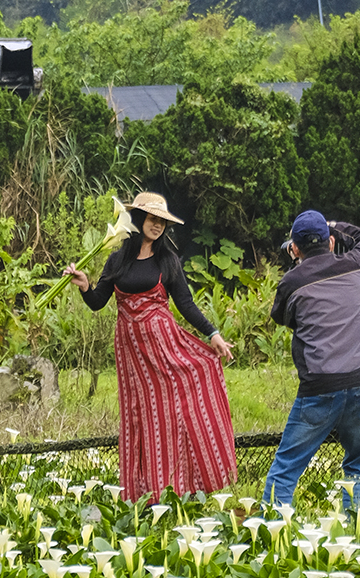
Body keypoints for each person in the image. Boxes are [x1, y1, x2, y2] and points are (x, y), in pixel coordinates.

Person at [65, 192, 236, 501]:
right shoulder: (117, 259)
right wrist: (85, 284)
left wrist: (213, 334)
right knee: (140, 416)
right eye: (152, 219)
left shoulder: (166, 259)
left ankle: (180, 487)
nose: (157, 225)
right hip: (132, 355)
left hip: (165, 348)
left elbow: (185, 304)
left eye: (162, 222)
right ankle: (146, 494)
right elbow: (97, 302)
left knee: (170, 414)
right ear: (140, 220)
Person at [262, 207, 360, 514]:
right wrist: (334, 225)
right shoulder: (357, 263)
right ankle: (355, 538)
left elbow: (282, 317)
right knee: (358, 466)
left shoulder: (292, 282)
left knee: (287, 467)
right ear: (331, 242)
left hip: (321, 386)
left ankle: (272, 538)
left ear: (294, 249)